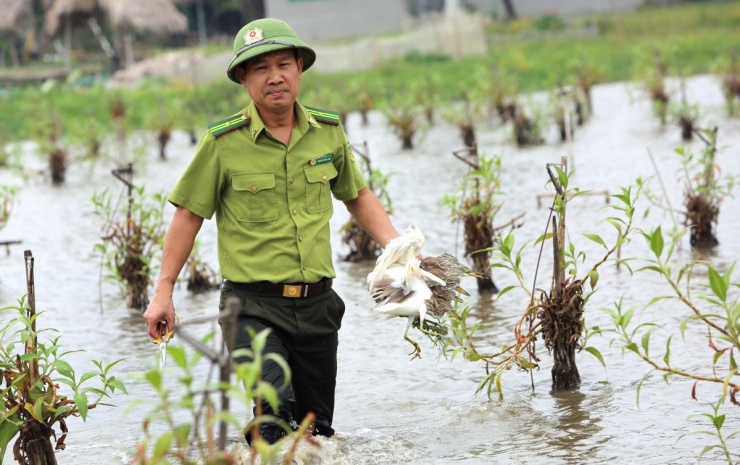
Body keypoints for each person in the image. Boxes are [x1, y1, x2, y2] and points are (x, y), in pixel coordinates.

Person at [142, 18, 399, 444]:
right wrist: (163, 290)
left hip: (318, 308)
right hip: (252, 307)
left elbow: (356, 195)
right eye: (260, 68)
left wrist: (399, 249)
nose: (274, 76)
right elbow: (189, 215)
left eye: (283, 64)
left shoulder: (328, 133)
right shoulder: (222, 143)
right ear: (243, 78)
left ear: (300, 68)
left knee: (317, 433)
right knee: (275, 410)